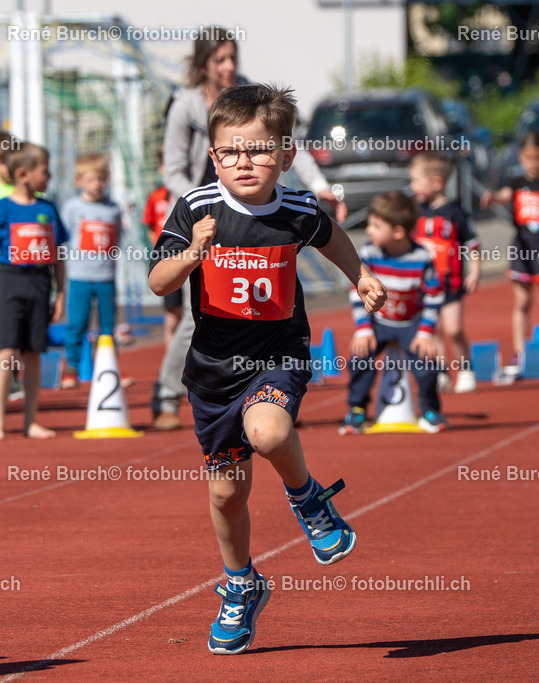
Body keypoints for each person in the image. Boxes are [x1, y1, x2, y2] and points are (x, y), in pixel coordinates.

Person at [148, 84, 386, 654]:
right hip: (213, 370)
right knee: (226, 494)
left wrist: (361, 276)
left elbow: (332, 238)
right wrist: (192, 254)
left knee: (269, 431)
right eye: (230, 151)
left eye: (257, 150)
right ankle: (241, 583)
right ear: (213, 157)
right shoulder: (196, 209)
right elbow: (157, 281)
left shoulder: (296, 210)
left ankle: (308, 499)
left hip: (278, 355)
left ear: (284, 154)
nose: (244, 162)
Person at [151, 28, 348, 431]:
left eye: (232, 58)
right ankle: (168, 395)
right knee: (196, 318)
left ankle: (270, 393)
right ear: (203, 64)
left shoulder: (252, 98)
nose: (228, 67)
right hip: (206, 219)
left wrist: (319, 185)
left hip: (256, 210)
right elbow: (173, 169)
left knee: (265, 304)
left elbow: (288, 142)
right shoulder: (185, 105)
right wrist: (210, 206)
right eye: (220, 60)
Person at [340, 190, 445, 435]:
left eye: (376, 226)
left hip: (411, 323)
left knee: (427, 363)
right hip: (379, 321)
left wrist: (426, 333)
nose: (368, 230)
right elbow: (358, 292)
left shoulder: (422, 257)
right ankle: (357, 409)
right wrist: (364, 330)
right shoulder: (369, 254)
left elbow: (435, 295)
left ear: (398, 232)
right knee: (359, 358)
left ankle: (430, 410)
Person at [0, 142, 65, 440]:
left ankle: (31, 421)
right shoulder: (1, 209)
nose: (49, 176)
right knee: (6, 352)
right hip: (10, 282)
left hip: (40, 284)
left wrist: (61, 293)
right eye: (45, 171)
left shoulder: (48, 208)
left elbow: (58, 254)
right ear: (23, 174)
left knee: (33, 355)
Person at [481, 130, 539, 372]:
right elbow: (504, 195)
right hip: (522, 243)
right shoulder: (517, 182)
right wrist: (493, 198)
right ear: (520, 157)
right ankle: (519, 351)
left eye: (538, 158)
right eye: (529, 158)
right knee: (522, 300)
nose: (533, 164)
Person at [409, 151, 480, 394]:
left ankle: (465, 369)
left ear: (436, 182)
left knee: (454, 329)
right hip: (427, 284)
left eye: (416, 181)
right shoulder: (416, 212)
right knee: (434, 329)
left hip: (452, 282)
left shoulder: (456, 211)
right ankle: (440, 371)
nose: (412, 187)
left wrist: (475, 272)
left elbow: (472, 244)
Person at [59, 151, 122, 389]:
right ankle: (71, 369)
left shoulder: (113, 209)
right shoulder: (72, 208)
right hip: (79, 277)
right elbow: (63, 239)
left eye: (101, 179)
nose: (97, 184)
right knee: (76, 324)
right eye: (91, 180)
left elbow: (117, 239)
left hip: (106, 277)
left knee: (108, 326)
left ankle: (109, 369)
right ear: (79, 181)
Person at [143, 150, 181, 348]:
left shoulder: (188, 193)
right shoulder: (155, 197)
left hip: (190, 258)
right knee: (173, 313)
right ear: (160, 167)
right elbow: (150, 225)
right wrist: (158, 251)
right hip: (168, 259)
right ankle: (171, 357)